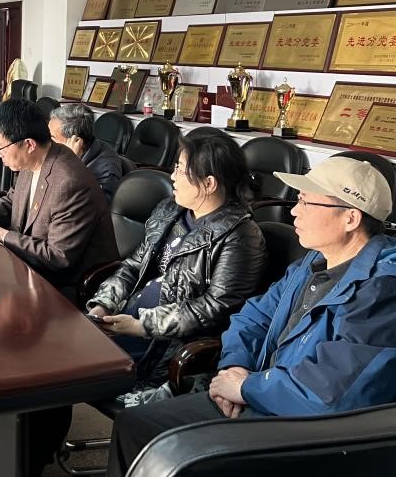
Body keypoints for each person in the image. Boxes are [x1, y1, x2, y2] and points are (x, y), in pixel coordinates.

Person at [108, 157, 396, 477]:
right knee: (136, 425)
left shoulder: (383, 290)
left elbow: (328, 394)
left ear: (350, 218)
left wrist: (246, 387)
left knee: (175, 454)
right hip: (263, 395)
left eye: (306, 202)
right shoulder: (314, 261)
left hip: (312, 430)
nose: (294, 211)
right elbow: (252, 317)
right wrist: (234, 367)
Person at [87, 132, 267, 392]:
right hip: (128, 319)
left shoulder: (240, 236)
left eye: (181, 170)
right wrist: (103, 305)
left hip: (166, 344)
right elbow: (134, 265)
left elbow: (214, 308)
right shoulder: (170, 210)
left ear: (209, 183)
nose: (173, 177)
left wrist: (142, 326)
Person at [0, 99, 118, 298]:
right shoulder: (33, 160)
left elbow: (57, 257)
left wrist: (1, 234)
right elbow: (12, 201)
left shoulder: (70, 183)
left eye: (1, 147)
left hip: (65, 287)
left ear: (29, 144)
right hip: (26, 267)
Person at [49, 103, 124, 202]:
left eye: (52, 137)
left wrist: (71, 163)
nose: (47, 141)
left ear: (76, 141)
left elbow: (90, 206)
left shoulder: (107, 171)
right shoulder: (58, 152)